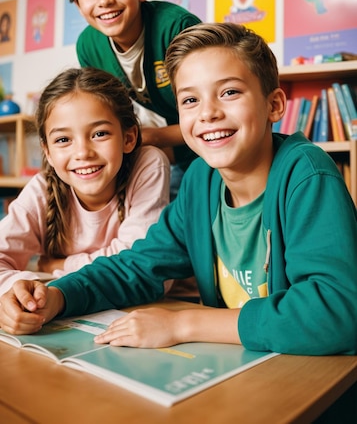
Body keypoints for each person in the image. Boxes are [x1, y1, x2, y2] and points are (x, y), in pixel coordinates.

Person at [1, 23, 356, 358]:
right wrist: (59, 295)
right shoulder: (201, 180)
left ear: (274, 105)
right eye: (190, 101)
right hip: (241, 367)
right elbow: (139, 266)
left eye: (229, 92)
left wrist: (183, 323)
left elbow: (338, 311)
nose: (208, 114)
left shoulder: (307, 175)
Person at [51, 0, 201, 198]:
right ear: (77, 4)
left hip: (207, 148)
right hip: (160, 154)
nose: (104, 0)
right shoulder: (89, 45)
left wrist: (148, 137)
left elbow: (209, 116)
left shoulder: (176, 28)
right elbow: (107, 116)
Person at [0, 66, 170, 296]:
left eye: (99, 134)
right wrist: (20, 289)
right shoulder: (42, 188)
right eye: (63, 139)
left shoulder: (147, 164)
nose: (83, 152)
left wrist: (57, 266)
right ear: (47, 151)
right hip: (69, 307)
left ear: (128, 138)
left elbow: (139, 261)